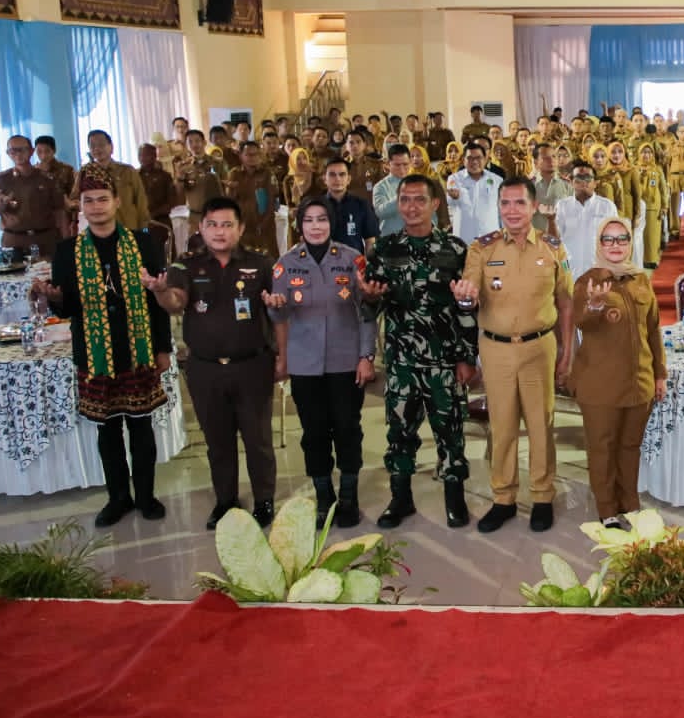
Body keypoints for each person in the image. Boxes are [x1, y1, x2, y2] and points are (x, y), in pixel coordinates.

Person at [33, 165, 171, 527]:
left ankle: (145, 496)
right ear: (80, 206)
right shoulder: (67, 251)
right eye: (89, 201)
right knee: (107, 431)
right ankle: (118, 498)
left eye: (102, 199)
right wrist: (54, 299)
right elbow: (67, 308)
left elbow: (158, 300)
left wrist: (163, 348)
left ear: (117, 202)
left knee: (141, 428)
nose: (96, 207)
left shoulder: (143, 243)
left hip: (138, 350)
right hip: (95, 356)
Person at [146, 198, 279, 528]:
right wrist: (161, 291)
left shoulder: (262, 264)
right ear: (201, 228)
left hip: (252, 366)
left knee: (258, 440)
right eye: (213, 225)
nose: (220, 232)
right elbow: (176, 303)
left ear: (240, 228)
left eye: (227, 225)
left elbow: (279, 313)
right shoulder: (186, 265)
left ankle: (264, 501)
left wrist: (284, 357)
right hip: (205, 369)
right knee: (218, 442)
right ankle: (226, 501)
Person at [358, 174, 478, 529]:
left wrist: (466, 357)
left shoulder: (455, 249)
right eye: (405, 200)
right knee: (400, 433)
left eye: (419, 200)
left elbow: (466, 308)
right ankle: (401, 498)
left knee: (450, 430)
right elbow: (371, 307)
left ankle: (455, 498)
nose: (411, 207)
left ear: (435, 204)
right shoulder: (384, 249)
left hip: (444, 359)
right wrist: (370, 297)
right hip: (402, 360)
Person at [456, 178, 574, 533]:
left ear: (534, 207)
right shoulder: (482, 249)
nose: (512, 210)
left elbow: (566, 302)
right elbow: (468, 295)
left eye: (520, 203)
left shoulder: (553, 248)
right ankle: (503, 498)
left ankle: (542, 496)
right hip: (497, 350)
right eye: (505, 203)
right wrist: (465, 298)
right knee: (502, 425)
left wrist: (568, 351)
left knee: (541, 424)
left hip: (540, 347)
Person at [263, 200, 377, 530]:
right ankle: (324, 497)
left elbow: (367, 311)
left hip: (346, 361)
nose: (316, 226)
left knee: (347, 428)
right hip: (305, 364)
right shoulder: (285, 265)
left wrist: (366, 356)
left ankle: (349, 497)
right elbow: (279, 315)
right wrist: (275, 306)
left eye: (322, 220)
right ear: (300, 225)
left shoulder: (352, 259)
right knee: (313, 433)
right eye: (309, 220)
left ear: (332, 223)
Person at [569, 216, 666, 529]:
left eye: (622, 238)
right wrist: (596, 305)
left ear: (630, 243)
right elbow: (581, 321)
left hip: (639, 383)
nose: (615, 245)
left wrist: (660, 374)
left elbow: (653, 329)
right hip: (600, 385)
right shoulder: (587, 281)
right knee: (603, 448)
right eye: (608, 239)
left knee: (629, 446)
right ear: (599, 244)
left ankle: (630, 503)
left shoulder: (640, 280)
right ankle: (607, 508)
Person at [0, 134, 68, 259]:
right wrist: (1, 203)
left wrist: (66, 242)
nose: (18, 154)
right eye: (13, 151)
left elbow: (60, 212)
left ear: (31, 151)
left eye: (22, 149)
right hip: (14, 242)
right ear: (8, 153)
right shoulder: (0, 179)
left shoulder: (48, 179)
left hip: (45, 239)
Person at [555, 160, 619, 281]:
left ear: (595, 183)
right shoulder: (562, 206)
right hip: (569, 270)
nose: (584, 182)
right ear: (571, 181)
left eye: (588, 178)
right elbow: (556, 240)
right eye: (579, 178)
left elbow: (615, 241)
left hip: (599, 272)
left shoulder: (607, 206)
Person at [78, 131, 151, 232]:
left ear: (111, 147)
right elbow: (76, 199)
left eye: (101, 145)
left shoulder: (127, 171)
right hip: (100, 231)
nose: (97, 149)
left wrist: (144, 230)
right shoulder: (86, 173)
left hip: (128, 229)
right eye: (93, 146)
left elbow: (141, 202)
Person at [227, 142, 281, 258]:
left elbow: (271, 200)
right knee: (243, 259)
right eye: (248, 154)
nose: (252, 157)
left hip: (264, 224)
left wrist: (264, 222)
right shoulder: (235, 174)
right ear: (241, 156)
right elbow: (230, 202)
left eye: (255, 154)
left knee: (268, 259)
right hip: (243, 225)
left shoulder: (267, 173)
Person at [317, 158, 377, 255]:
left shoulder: (362, 205)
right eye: (332, 175)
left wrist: (370, 262)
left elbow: (370, 241)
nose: (337, 179)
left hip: (354, 261)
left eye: (342, 174)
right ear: (324, 179)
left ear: (348, 179)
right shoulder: (316, 207)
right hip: (324, 261)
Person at [447, 141, 503, 244]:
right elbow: (451, 202)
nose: (474, 162)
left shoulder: (497, 180)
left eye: (478, 158)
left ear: (485, 159)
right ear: (463, 160)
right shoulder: (454, 179)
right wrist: (454, 197)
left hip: (491, 239)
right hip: (463, 239)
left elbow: (502, 210)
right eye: (470, 158)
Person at [175, 129, 226, 215]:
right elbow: (179, 193)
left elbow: (226, 185)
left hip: (217, 211)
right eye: (190, 142)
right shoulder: (183, 166)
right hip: (195, 213)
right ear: (186, 145)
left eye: (197, 141)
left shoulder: (218, 163)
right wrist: (180, 178)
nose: (194, 144)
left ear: (204, 142)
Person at [373, 145, 414, 237]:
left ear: (410, 162)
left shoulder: (418, 183)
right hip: (391, 238)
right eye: (397, 165)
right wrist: (401, 197)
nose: (402, 168)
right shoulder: (380, 187)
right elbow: (380, 212)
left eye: (405, 164)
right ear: (388, 163)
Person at [138, 143, 180, 226]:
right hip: (141, 222)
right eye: (140, 155)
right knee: (143, 234)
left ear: (154, 156)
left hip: (161, 221)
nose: (142, 158)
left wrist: (154, 214)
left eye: (146, 155)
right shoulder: (134, 176)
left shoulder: (165, 176)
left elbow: (172, 201)